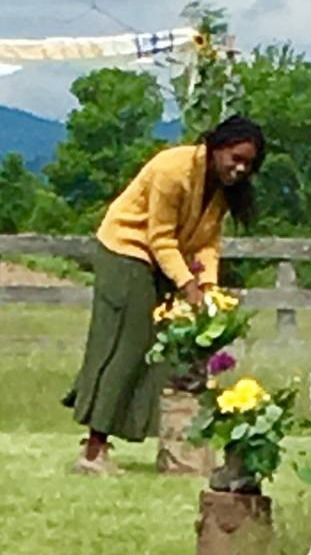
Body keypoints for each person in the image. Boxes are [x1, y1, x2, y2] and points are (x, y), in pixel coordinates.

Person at [63, 115, 266, 475]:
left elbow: (206, 243)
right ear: (217, 146)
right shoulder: (173, 170)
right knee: (129, 345)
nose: (239, 168)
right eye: (235, 157)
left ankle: (135, 447)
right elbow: (160, 238)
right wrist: (188, 285)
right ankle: (93, 453)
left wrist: (209, 291)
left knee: (153, 351)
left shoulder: (220, 187)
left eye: (248, 164)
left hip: (160, 261)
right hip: (125, 250)